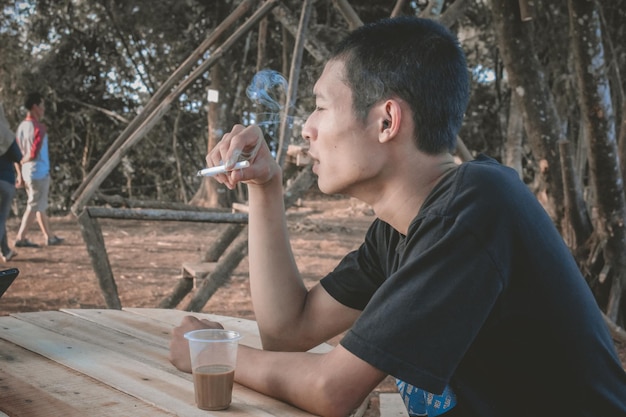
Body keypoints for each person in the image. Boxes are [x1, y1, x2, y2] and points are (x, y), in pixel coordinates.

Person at [169, 16, 626, 417]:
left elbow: (332, 390)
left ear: (387, 121)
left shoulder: (477, 206)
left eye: (322, 107)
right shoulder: (400, 230)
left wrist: (209, 354)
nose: (306, 127)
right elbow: (288, 332)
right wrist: (265, 186)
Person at [14, 92, 63, 248]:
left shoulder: (21, 127)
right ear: (35, 107)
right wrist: (24, 160)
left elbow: (16, 153)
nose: (43, 109)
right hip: (39, 172)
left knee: (39, 205)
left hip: (27, 172)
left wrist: (19, 173)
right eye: (42, 106)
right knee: (34, 205)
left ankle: (49, 236)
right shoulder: (38, 128)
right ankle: (20, 238)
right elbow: (33, 153)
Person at [0, 103, 22, 262]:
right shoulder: (5, 134)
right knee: (1, 219)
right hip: (5, 181)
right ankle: (5, 250)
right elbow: (18, 156)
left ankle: (6, 250)